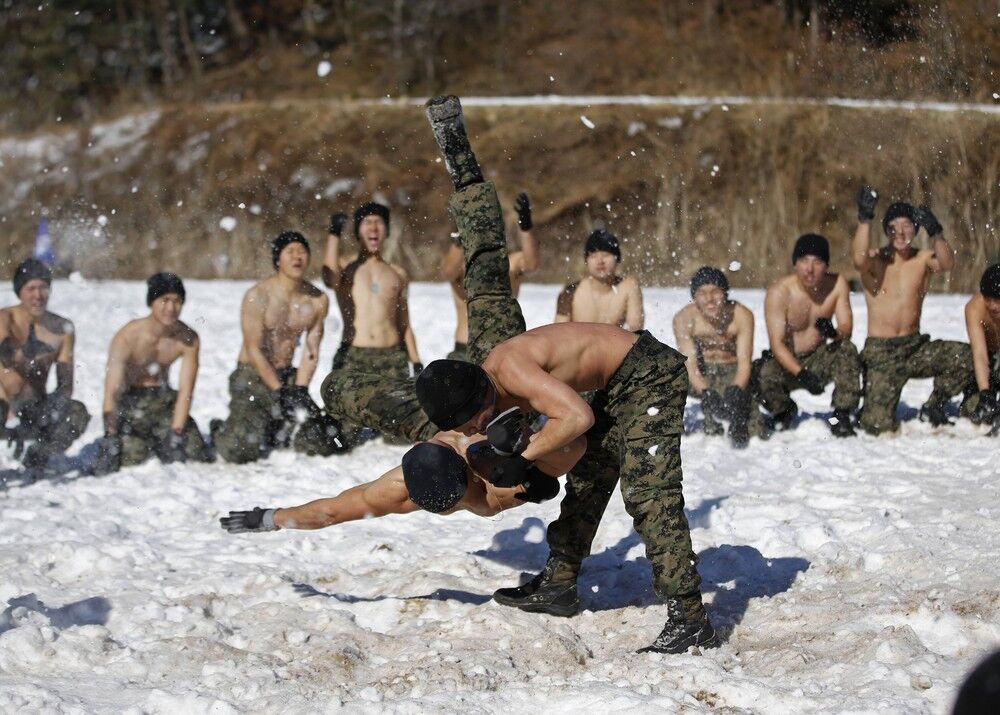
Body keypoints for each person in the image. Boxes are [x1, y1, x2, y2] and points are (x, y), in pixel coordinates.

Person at [415, 95, 715, 654]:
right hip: (612, 383)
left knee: (649, 492)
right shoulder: (486, 378)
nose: (483, 422)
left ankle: (690, 615)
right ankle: (558, 583)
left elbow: (573, 416)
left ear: (483, 395)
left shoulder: (511, 368)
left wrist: (518, 457)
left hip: (647, 376)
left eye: (479, 417)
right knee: (591, 476)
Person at [220, 429, 584, 533]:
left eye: (455, 503)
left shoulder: (489, 469)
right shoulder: (396, 490)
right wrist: (272, 517)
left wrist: (536, 472)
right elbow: (332, 512)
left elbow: (575, 444)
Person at [211, 232, 345, 463]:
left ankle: (275, 424)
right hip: (253, 374)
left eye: (302, 251)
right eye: (290, 252)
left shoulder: (317, 300)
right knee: (240, 451)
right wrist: (279, 391)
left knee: (321, 442)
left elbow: (311, 350)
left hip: (288, 376)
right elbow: (253, 349)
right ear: (277, 259)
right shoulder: (258, 296)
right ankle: (222, 430)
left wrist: (300, 389)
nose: (297, 257)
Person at [852, 187, 974, 433]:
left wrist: (937, 232)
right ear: (886, 229)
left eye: (907, 225)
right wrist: (865, 219)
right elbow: (858, 260)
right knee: (876, 426)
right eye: (894, 225)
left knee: (966, 357)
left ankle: (936, 404)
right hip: (881, 352)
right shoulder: (877, 260)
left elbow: (947, 263)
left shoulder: (923, 259)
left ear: (916, 229)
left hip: (914, 347)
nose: (900, 231)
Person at [93, 273, 209, 474]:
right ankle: (139, 440)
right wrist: (110, 435)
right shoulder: (128, 336)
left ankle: (164, 437)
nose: (171, 308)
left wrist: (177, 431)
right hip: (131, 402)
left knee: (195, 450)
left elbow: (186, 390)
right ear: (152, 302)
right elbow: (111, 390)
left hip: (163, 399)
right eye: (164, 300)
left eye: (177, 301)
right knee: (133, 456)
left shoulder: (187, 338)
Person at [755, 234, 860, 436]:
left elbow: (846, 328)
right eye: (804, 261)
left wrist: (834, 332)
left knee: (847, 349)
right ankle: (783, 410)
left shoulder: (837, 285)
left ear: (827, 265)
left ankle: (841, 415)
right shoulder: (780, 292)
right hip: (788, 360)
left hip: (818, 357)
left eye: (817, 262)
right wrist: (800, 373)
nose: (809, 269)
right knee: (762, 374)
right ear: (795, 263)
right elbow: (776, 344)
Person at [0, 259, 89, 472]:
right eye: (31, 288)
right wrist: (22, 354)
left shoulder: (62, 329)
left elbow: (65, 381)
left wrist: (57, 406)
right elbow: (4, 348)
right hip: (3, 404)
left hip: (34, 408)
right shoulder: (5, 318)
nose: (37, 296)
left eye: (43, 288)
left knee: (75, 412)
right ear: (19, 291)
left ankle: (38, 455)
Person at [322, 203, 422, 375]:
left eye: (379, 222)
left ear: (387, 231)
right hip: (353, 356)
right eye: (367, 222)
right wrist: (334, 233)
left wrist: (416, 362)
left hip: (392, 358)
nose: (374, 228)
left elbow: (404, 323)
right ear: (357, 231)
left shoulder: (398, 273)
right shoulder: (345, 268)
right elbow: (329, 278)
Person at [440, 191, 538, 361]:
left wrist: (526, 228)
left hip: (504, 348)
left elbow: (531, 264)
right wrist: (461, 235)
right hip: (466, 350)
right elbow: (448, 272)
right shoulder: (462, 264)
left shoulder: (509, 264)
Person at [673, 266, 760, 446]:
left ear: (725, 293)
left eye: (715, 291)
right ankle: (669, 428)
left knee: (756, 433)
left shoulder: (742, 315)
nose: (710, 299)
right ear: (694, 297)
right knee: (665, 377)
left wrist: (736, 390)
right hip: (701, 373)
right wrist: (706, 392)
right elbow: (690, 366)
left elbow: (744, 364)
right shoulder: (684, 318)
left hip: (732, 370)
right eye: (702, 293)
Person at [554, 230, 643, 329]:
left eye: (605, 255)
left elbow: (636, 330)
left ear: (617, 258)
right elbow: (558, 333)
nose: (600, 261)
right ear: (586, 260)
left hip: (614, 343)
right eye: (593, 256)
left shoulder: (628, 287)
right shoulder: (570, 292)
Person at [961, 263, 1000, 432]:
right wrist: (985, 393)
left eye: (998, 300)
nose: (992, 306)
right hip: (990, 359)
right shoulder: (974, 308)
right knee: (972, 411)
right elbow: (979, 353)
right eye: (988, 299)